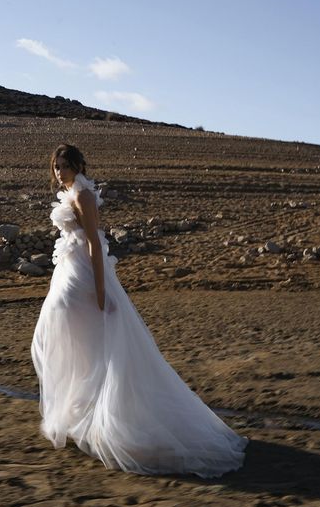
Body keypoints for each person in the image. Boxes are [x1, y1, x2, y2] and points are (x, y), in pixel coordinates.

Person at [31, 143, 248, 477]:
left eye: (65, 165)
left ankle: (104, 416)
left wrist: (102, 292)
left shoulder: (84, 197)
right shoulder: (72, 192)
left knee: (87, 343)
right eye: (56, 166)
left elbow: (93, 243)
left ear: (77, 165)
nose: (59, 171)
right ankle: (81, 413)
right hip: (68, 274)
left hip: (85, 279)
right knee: (72, 343)